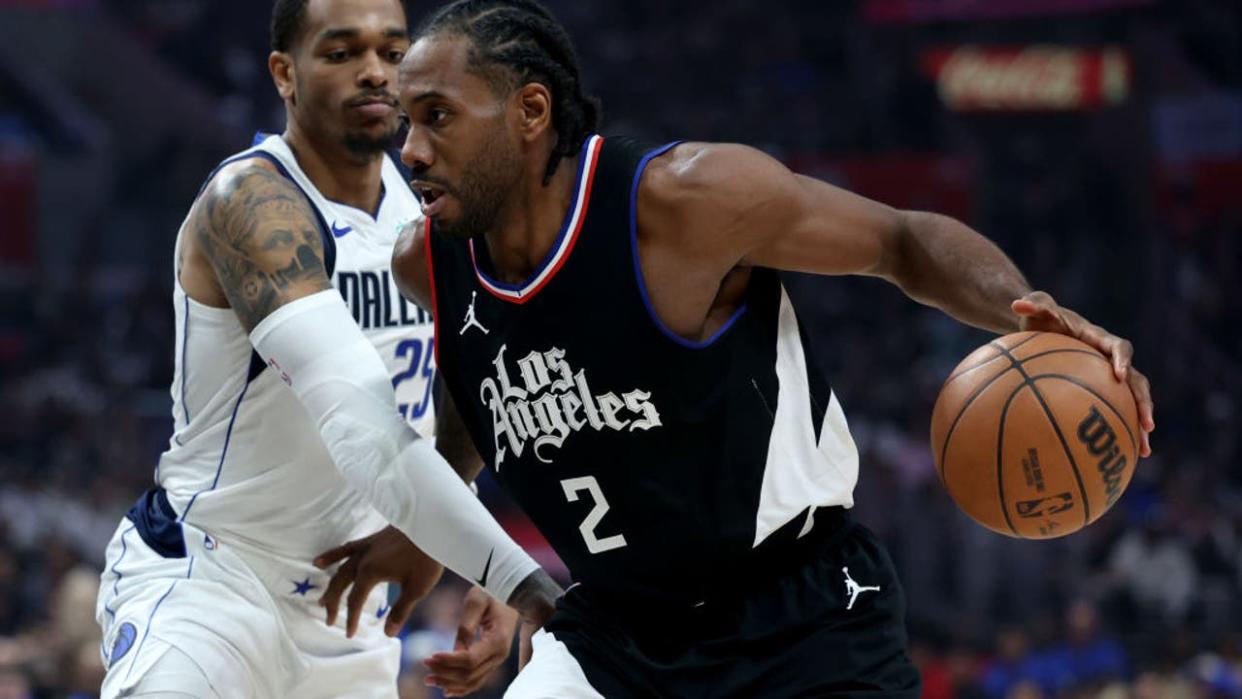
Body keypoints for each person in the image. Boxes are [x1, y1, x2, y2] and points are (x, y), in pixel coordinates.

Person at [335, 0, 1156, 696]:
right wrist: (456, 547)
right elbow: (482, 397)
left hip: (799, 616)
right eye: (408, 122)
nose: (409, 149)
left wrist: (1026, 314)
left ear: (530, 114)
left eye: (438, 116)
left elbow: (903, 241)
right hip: (616, 631)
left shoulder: (684, 203)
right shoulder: (427, 263)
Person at [93, 1, 559, 697]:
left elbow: (469, 389)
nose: (375, 73)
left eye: (392, 52)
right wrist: (527, 586)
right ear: (284, 72)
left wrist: (440, 532)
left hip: (347, 607)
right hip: (212, 580)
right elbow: (362, 428)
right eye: (342, 53)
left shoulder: (435, 217)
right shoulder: (251, 203)